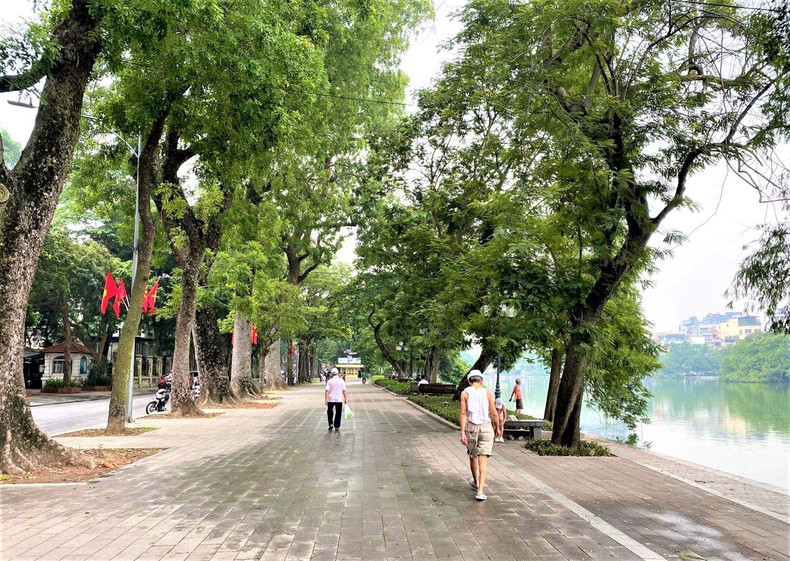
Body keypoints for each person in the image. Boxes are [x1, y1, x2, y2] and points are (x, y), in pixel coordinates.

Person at [460, 370, 502, 501]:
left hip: (471, 427)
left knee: (473, 456)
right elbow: (494, 413)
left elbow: (463, 413)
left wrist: (462, 432)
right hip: (486, 427)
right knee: (482, 459)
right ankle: (480, 490)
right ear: (482, 381)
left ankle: (476, 482)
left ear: (469, 381)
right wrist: (498, 427)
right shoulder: (487, 392)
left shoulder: (465, 393)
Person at [325, 367, 348, 431]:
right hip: (339, 399)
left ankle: (330, 424)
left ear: (331, 374)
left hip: (330, 399)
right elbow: (344, 390)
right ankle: (337, 426)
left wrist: (326, 400)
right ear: (338, 373)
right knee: (338, 412)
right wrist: (346, 399)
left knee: (329, 411)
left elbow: (327, 391)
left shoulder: (329, 381)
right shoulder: (341, 381)